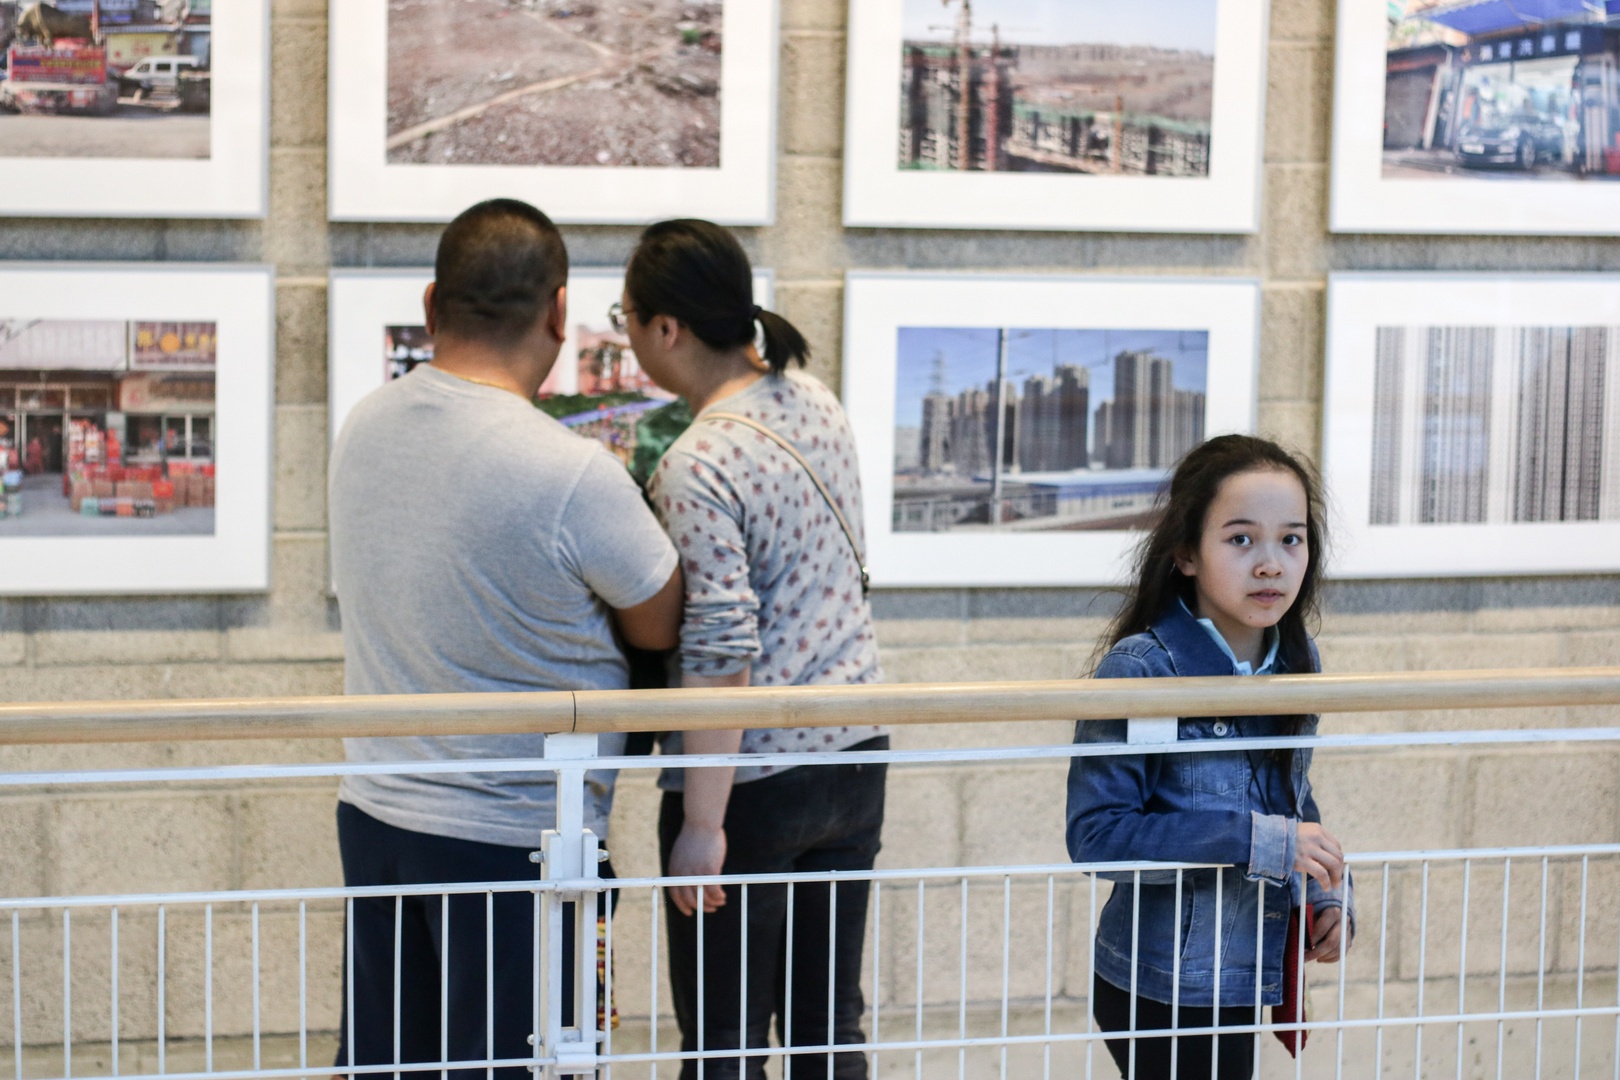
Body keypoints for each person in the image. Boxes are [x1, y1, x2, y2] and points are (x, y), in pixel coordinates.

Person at [327, 199, 682, 1079]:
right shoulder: (571, 475)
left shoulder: (362, 428)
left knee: (390, 1065)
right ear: (559, 313)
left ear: (430, 304)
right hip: (522, 838)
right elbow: (662, 617)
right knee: (534, 1066)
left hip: (377, 812)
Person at [617, 219, 885, 1080]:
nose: (626, 338)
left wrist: (701, 823)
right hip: (857, 754)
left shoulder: (698, 462)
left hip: (754, 782)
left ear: (668, 329)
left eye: (625, 319)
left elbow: (722, 646)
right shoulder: (815, 400)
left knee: (725, 1044)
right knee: (829, 1032)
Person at [1065, 435, 1354, 1080]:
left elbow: (1290, 798)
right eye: (1241, 539)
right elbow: (1097, 838)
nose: (1271, 565)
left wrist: (1323, 893)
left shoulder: (1293, 662)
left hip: (1239, 973)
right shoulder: (1141, 672)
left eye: (1292, 539)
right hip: (1157, 984)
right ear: (1186, 554)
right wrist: (1259, 840)